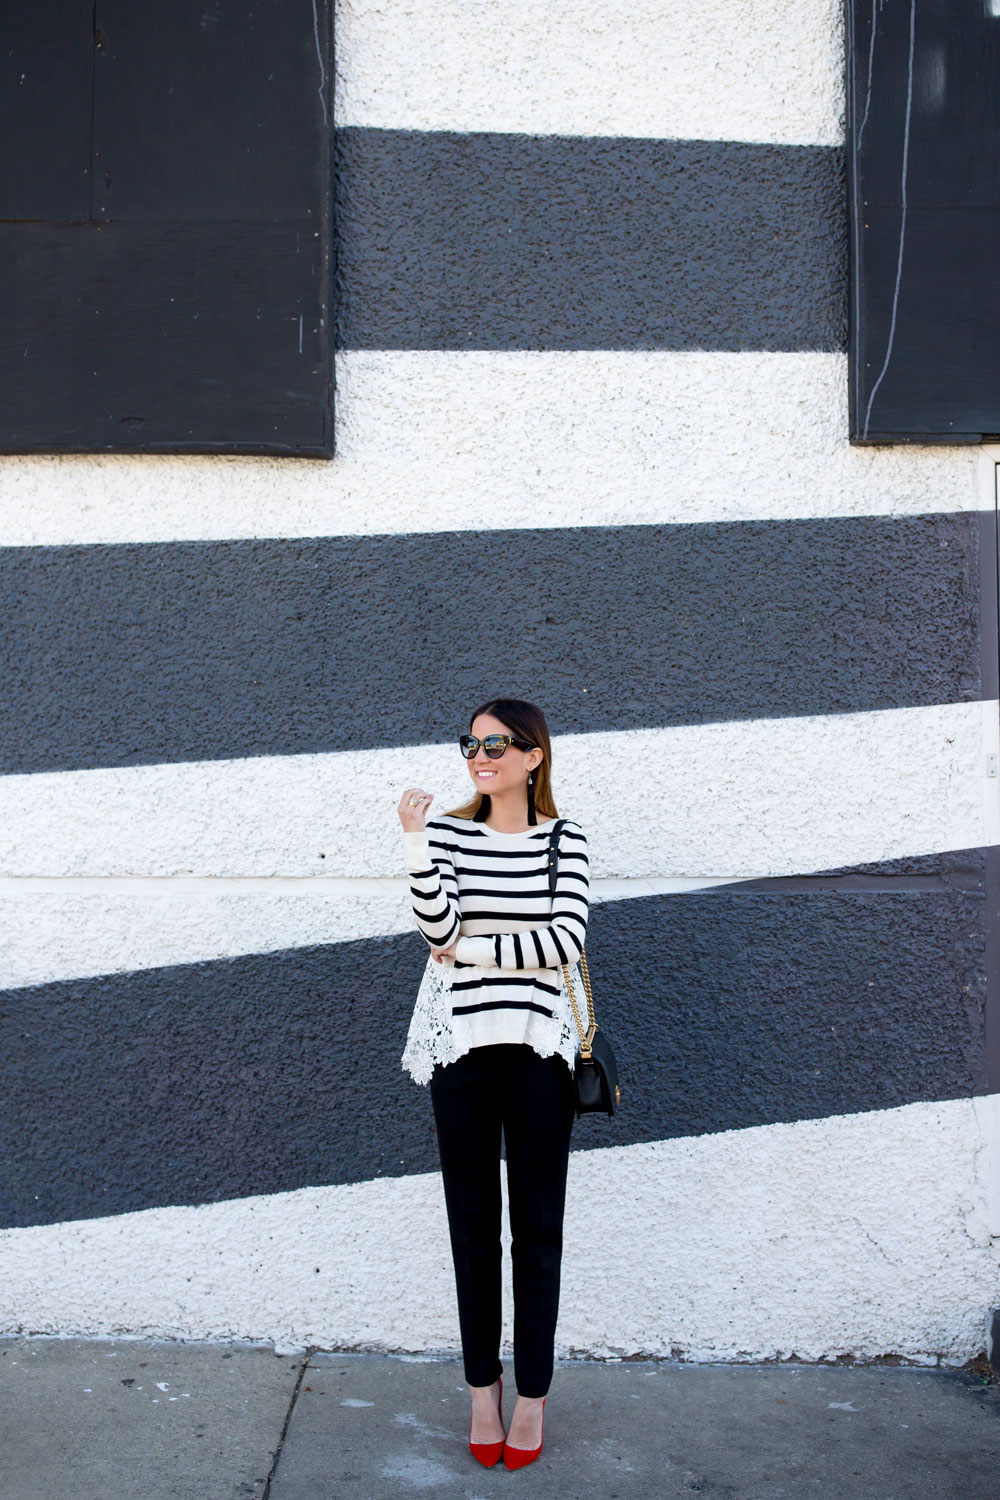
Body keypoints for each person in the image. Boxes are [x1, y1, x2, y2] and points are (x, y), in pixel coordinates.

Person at [396, 697, 589, 1471]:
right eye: (471, 744)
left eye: (499, 744)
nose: (482, 756)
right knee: (473, 1230)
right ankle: (484, 1389)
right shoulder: (445, 833)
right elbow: (436, 931)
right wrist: (414, 843)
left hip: (541, 1052)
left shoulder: (563, 840)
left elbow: (564, 940)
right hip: (463, 1052)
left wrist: (473, 954)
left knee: (536, 1233)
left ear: (534, 755)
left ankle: (534, 1396)